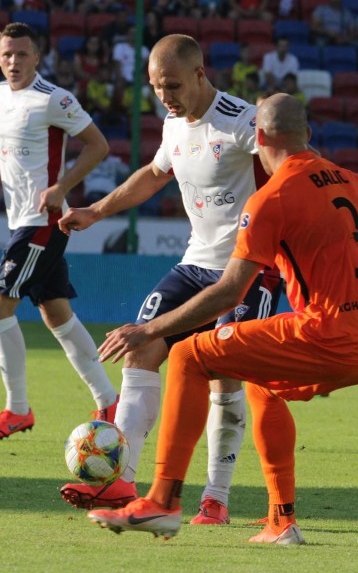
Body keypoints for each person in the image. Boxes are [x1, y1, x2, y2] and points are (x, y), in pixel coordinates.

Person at [86, 93, 358, 543]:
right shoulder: (348, 179)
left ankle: (161, 501)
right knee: (258, 378)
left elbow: (229, 292)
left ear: (258, 137)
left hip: (326, 334)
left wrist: (149, 329)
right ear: (307, 135)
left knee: (190, 356)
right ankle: (281, 519)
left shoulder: (270, 199)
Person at [57, 34, 283, 524]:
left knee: (225, 375)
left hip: (248, 270)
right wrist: (96, 210)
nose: (165, 96)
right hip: (195, 263)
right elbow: (155, 174)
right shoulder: (173, 125)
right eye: (157, 87)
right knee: (140, 348)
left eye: (173, 85)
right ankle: (122, 479)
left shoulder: (243, 123)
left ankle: (215, 499)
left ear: (201, 75)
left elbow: (290, 172)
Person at [0, 22, 119, 439]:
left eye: (22, 54)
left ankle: (17, 409)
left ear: (37, 57)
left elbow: (98, 145)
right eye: (7, 54)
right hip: (25, 221)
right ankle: (109, 400)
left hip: (43, 222)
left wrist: (62, 187)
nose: (14, 61)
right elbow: (3, 144)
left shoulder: (54, 99)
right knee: (56, 311)